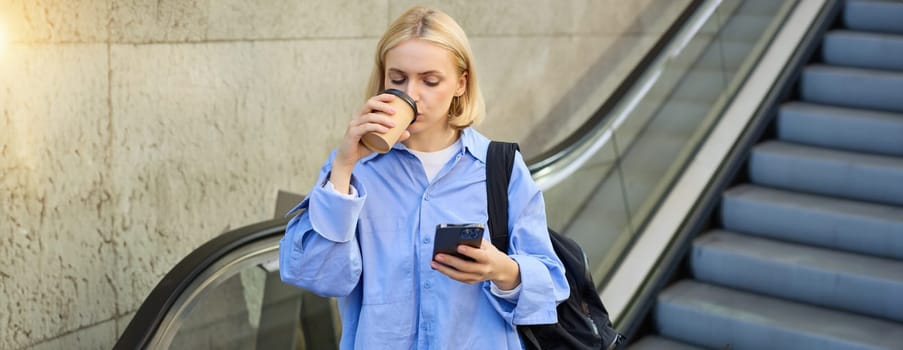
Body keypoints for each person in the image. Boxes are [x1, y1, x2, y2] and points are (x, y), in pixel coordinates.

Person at [279, 6, 569, 349]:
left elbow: (552, 285)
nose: (411, 94)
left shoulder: (499, 167)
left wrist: (502, 270)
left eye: (430, 81)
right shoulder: (356, 169)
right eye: (397, 79)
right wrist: (342, 167)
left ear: (461, 84)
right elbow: (317, 275)